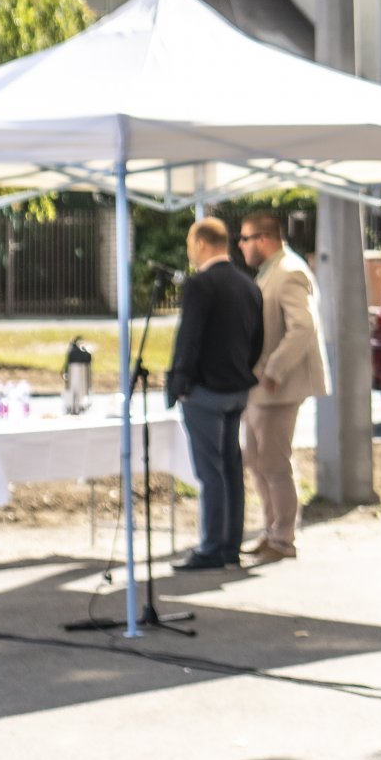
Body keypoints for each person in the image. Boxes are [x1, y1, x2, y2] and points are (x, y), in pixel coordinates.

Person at [166, 217, 262, 572]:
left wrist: (181, 385)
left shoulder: (200, 285)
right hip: (237, 389)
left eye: (191, 245)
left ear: (202, 244)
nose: (190, 252)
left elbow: (188, 340)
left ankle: (211, 546)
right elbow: (257, 341)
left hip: (205, 391)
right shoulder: (248, 284)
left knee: (210, 472)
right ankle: (229, 545)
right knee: (231, 468)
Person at [236, 212, 329, 566]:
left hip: (278, 386)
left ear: (263, 239)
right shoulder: (273, 269)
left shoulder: (289, 270)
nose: (241, 246)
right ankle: (271, 529)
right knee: (258, 461)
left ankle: (284, 537)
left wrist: (274, 370)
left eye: (244, 239)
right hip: (263, 385)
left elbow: (303, 327)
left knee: (274, 462)